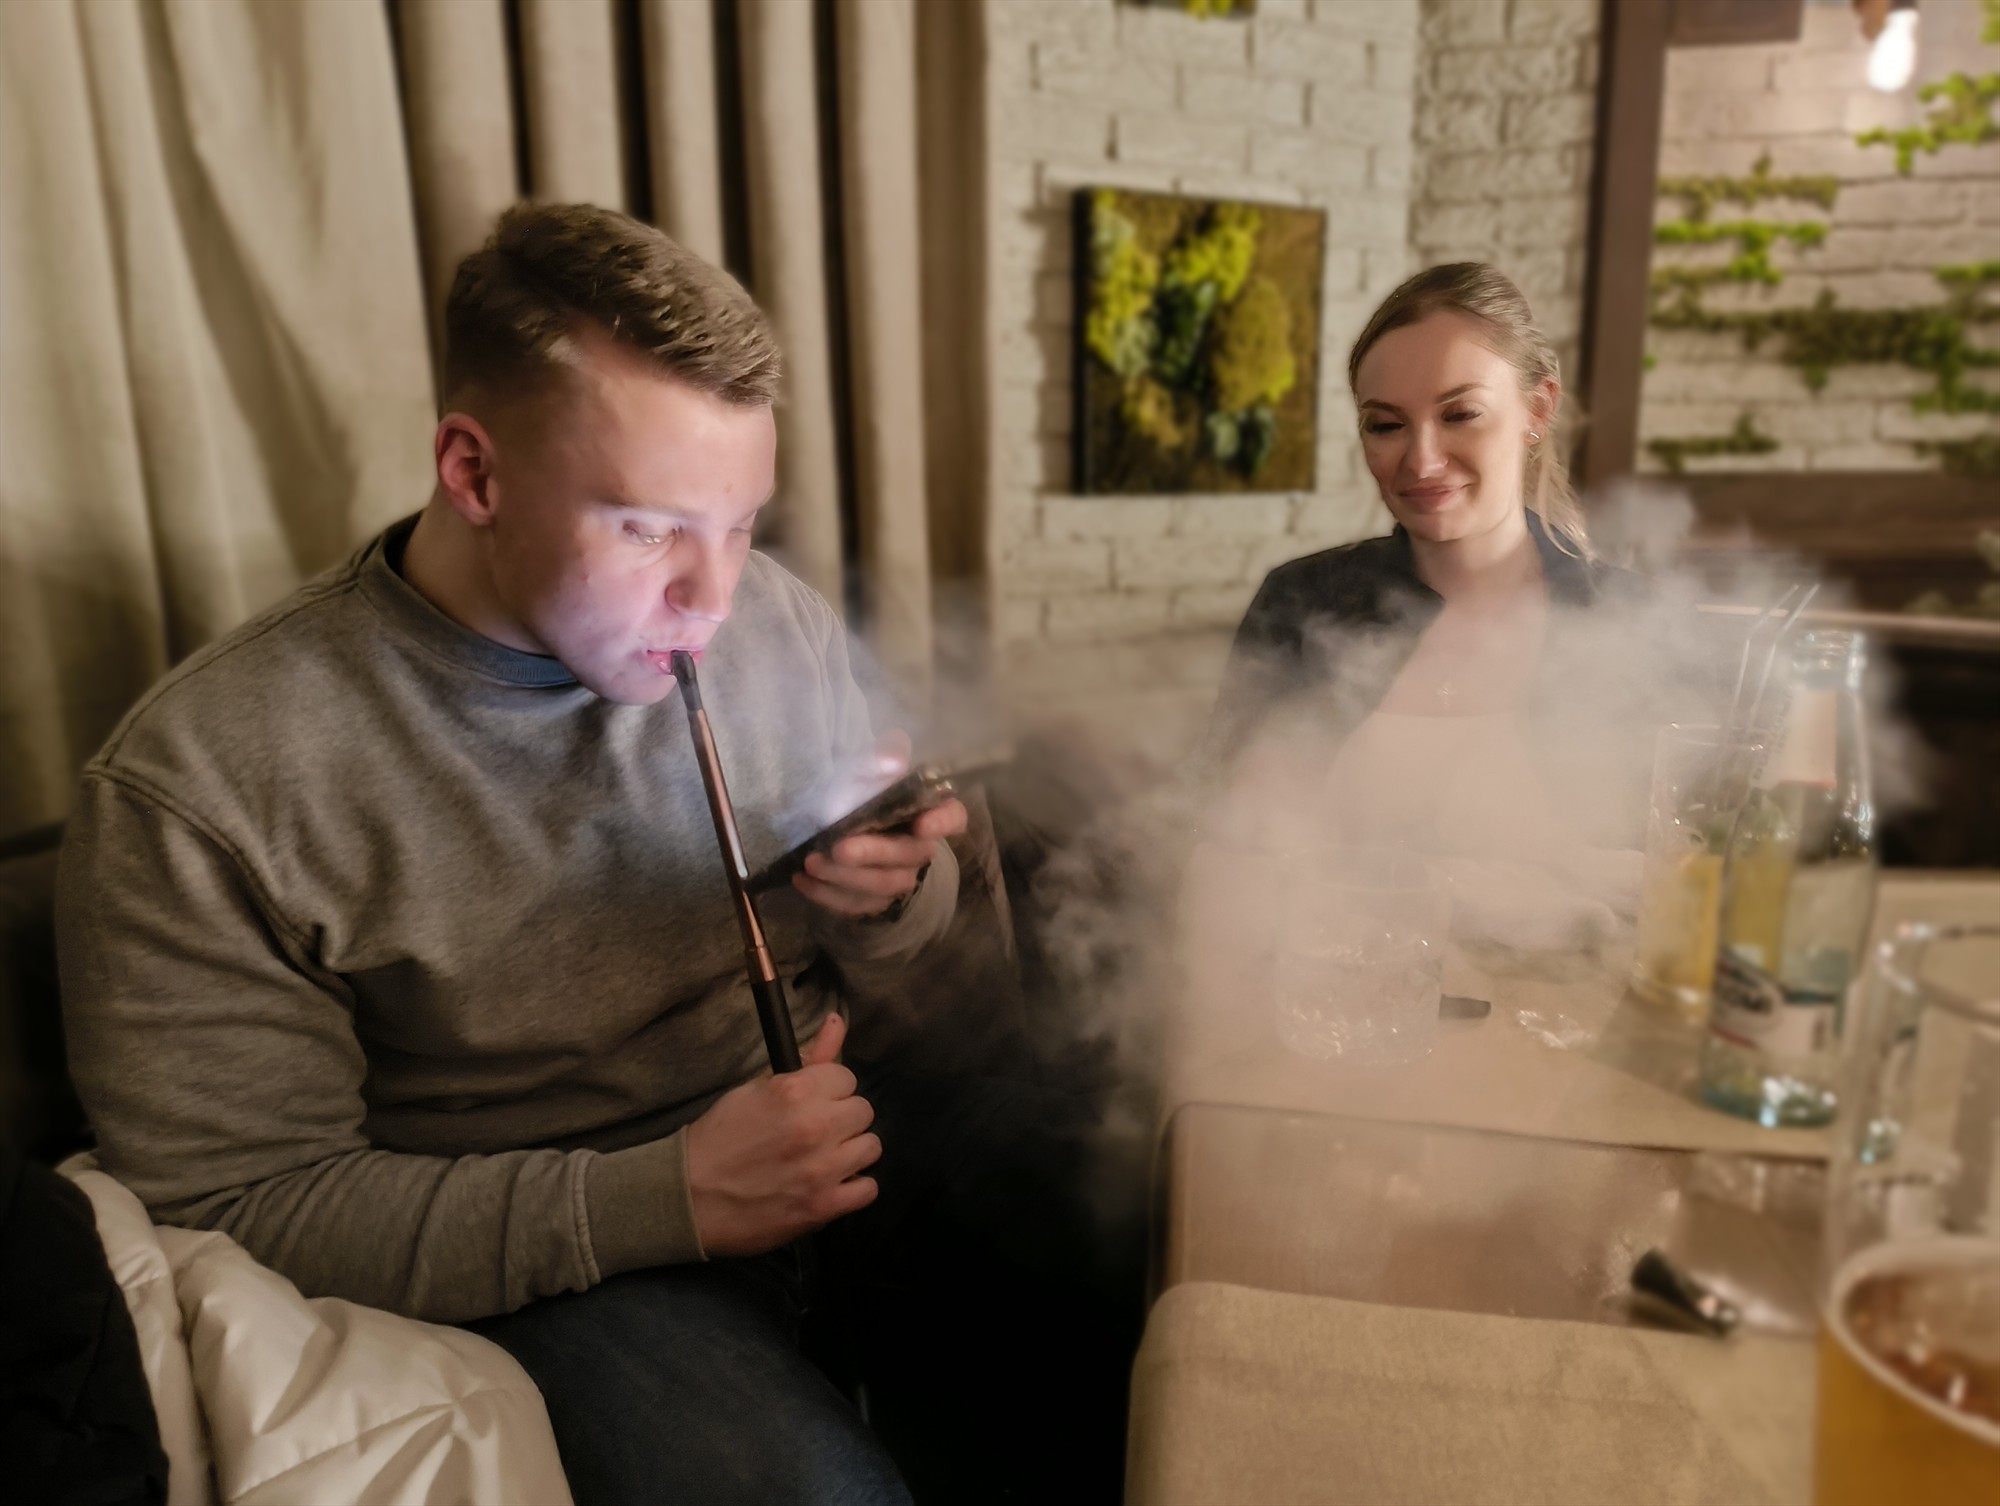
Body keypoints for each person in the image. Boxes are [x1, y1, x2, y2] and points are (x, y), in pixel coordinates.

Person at [56, 203, 1028, 1506]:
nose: (715, 598)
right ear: (473, 471)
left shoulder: (772, 620)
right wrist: (665, 1198)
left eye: (741, 523)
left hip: (839, 1122)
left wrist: (893, 895)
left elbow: (912, 927)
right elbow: (242, 1203)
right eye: (648, 527)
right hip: (577, 1245)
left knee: (1157, 1255)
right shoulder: (204, 779)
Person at [1205, 263, 1700, 935]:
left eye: (1460, 414)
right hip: (1341, 985)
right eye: (1386, 425)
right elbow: (1216, 847)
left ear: (1537, 409)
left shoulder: (1632, 619)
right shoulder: (1301, 601)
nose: (1422, 461)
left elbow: (1698, 872)